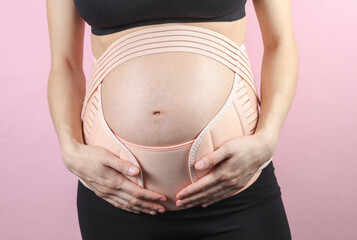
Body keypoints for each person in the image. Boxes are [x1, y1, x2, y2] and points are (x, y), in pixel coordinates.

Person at [46, 0, 298, 239]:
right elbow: (64, 64)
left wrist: (268, 136)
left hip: (236, 190)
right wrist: (69, 148)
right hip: (116, 196)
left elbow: (280, 43)